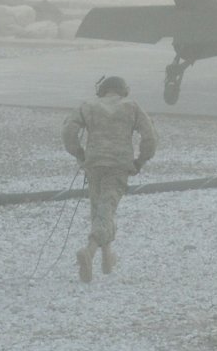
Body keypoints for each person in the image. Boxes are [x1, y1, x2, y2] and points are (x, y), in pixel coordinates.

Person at [62, 75, 158, 282]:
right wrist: (141, 160)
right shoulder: (132, 106)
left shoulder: (88, 105)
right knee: (107, 208)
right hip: (118, 166)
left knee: (100, 208)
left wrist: (79, 153)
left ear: (102, 90)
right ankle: (90, 249)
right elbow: (149, 136)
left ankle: (107, 258)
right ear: (123, 90)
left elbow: (69, 130)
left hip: (94, 164)